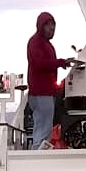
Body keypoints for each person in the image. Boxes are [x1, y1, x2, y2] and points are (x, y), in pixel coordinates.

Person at [27, 12, 75, 149]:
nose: (52, 29)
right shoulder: (36, 42)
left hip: (44, 93)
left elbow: (45, 63)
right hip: (41, 93)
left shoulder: (45, 44)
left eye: (53, 27)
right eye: (48, 26)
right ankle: (38, 153)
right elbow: (39, 63)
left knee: (44, 127)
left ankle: (39, 152)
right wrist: (60, 62)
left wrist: (61, 63)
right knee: (43, 128)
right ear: (41, 26)